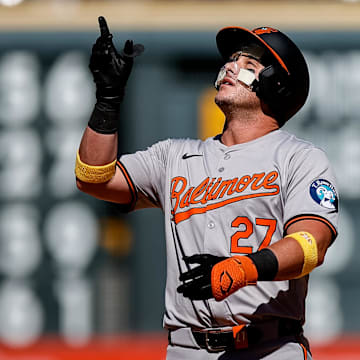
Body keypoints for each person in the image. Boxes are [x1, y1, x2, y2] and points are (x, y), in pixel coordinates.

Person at [75, 17, 339, 360]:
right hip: (186, 349)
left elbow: (311, 244)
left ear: (277, 85)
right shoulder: (173, 155)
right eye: (231, 59)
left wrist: (244, 268)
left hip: (269, 348)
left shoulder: (299, 158)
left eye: (249, 63)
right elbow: (93, 177)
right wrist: (108, 100)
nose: (230, 66)